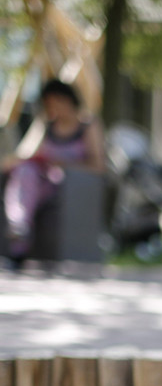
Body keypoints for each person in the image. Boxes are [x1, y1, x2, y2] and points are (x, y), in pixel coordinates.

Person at [1, 78, 105, 267]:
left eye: (56, 102)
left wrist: (63, 164)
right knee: (25, 173)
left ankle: (20, 237)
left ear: (68, 100)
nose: (52, 108)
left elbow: (98, 165)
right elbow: (25, 154)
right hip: (39, 180)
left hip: (70, 186)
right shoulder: (45, 125)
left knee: (34, 180)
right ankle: (19, 230)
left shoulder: (88, 125)